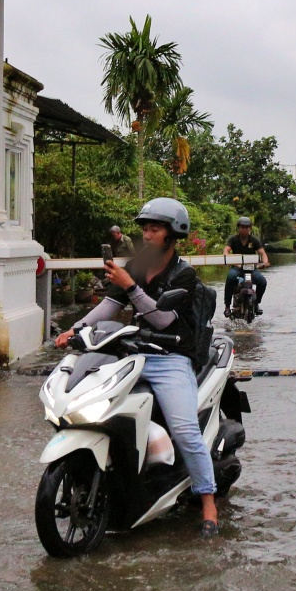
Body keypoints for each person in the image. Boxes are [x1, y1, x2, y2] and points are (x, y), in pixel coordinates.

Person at [56, 198, 221, 537]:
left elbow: (161, 319)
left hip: (170, 359)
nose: (147, 235)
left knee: (185, 430)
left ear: (173, 234)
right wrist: (75, 329)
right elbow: (109, 306)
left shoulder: (184, 275)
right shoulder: (135, 264)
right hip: (132, 354)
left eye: (155, 229)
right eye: (145, 228)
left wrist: (131, 287)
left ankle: (207, 502)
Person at [223, 216, 270, 314]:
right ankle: (227, 306)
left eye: (246, 227)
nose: (244, 229)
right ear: (238, 228)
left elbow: (262, 253)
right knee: (230, 278)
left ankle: (256, 303)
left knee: (262, 282)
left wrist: (265, 262)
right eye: (242, 227)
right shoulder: (233, 239)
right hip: (237, 268)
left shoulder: (254, 240)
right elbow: (226, 250)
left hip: (251, 268)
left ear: (250, 228)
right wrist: (228, 259)